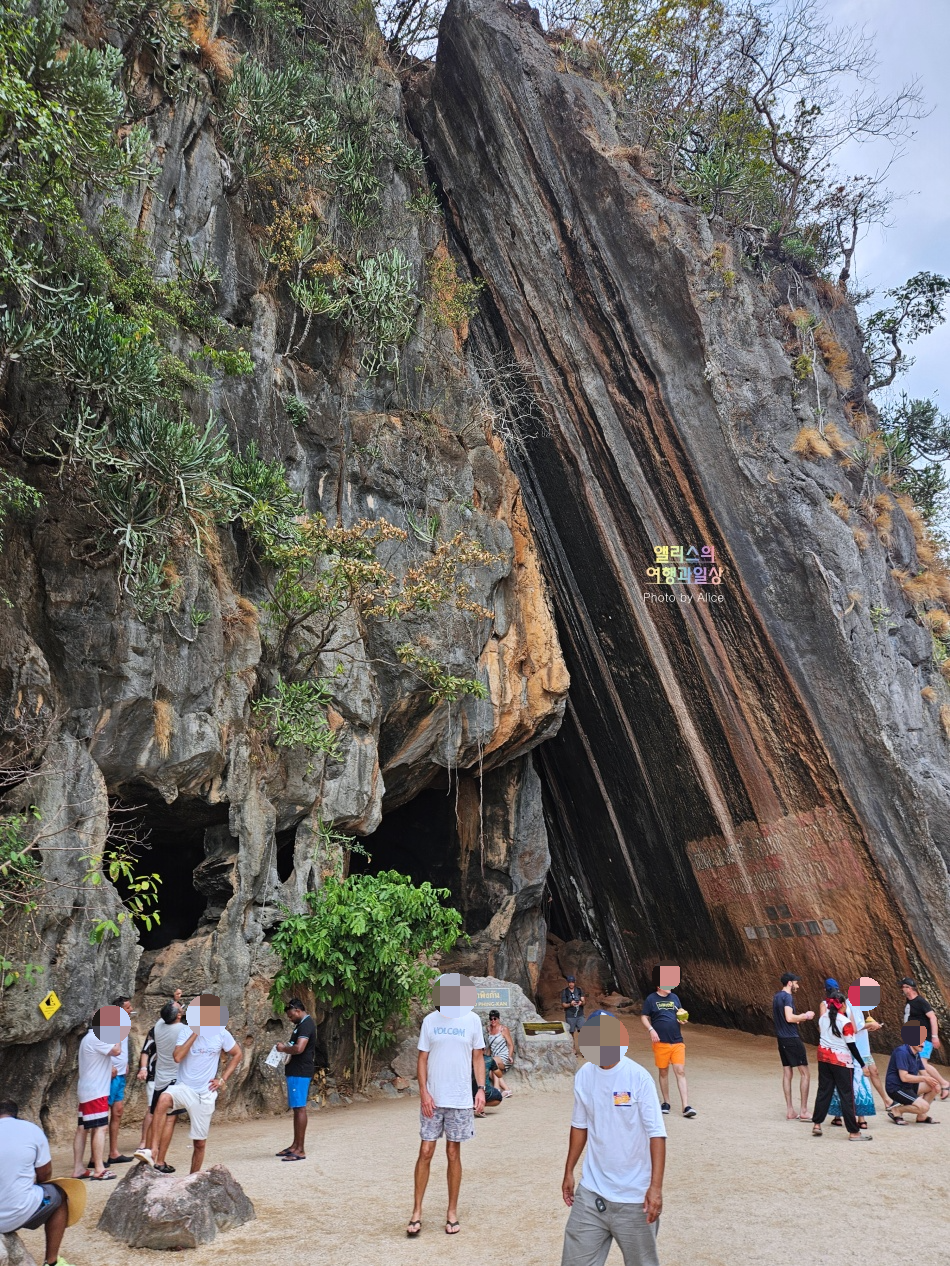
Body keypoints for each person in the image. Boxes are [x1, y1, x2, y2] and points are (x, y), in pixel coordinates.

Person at [561, 1011, 666, 1266]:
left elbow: (656, 1134)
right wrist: (569, 1171)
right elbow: (579, 1126)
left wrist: (655, 1188)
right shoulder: (584, 1075)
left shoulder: (638, 1077)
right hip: (592, 1193)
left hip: (634, 1198)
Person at [406, 972, 485, 1238]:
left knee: (453, 1153)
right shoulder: (430, 1021)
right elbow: (422, 1059)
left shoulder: (473, 1020)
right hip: (434, 1098)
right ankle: (417, 1211)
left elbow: (477, 1058)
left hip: (460, 1098)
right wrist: (423, 1093)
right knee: (426, 1151)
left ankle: (452, 1212)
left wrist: (481, 1089)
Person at [139, 994, 242, 1174]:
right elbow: (177, 1057)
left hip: (205, 1093)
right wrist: (196, 1032)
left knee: (199, 1143)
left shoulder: (221, 1033)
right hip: (184, 1087)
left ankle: (192, 1179)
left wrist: (222, 1079)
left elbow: (237, 1054)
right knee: (163, 1100)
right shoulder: (186, 1031)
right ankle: (152, 1150)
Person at [0, 1100, 77, 1266]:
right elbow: (45, 1175)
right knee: (59, 1195)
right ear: (15, 1115)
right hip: (18, 1213)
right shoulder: (31, 1130)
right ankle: (51, 1261)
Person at [72, 1006, 127, 1180]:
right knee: (100, 1127)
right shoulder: (98, 1036)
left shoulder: (90, 1037)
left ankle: (78, 1168)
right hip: (96, 1091)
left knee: (83, 1129)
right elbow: (117, 1050)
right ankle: (99, 1169)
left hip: (88, 1089)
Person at [811, 989, 871, 1141]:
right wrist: (863, 1065)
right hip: (841, 1061)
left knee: (824, 1091)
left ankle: (817, 1124)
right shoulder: (845, 1023)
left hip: (824, 1058)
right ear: (842, 1005)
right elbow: (852, 1046)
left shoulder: (823, 1018)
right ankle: (853, 1131)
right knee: (847, 1096)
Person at [135, 999, 185, 1172]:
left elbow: (167, 1013)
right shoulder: (183, 1030)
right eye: (180, 1009)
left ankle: (148, 1153)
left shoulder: (158, 1027)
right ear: (179, 1015)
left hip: (159, 1079)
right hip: (174, 1080)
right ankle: (160, 1161)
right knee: (169, 1120)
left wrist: (176, 1001)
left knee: (155, 1115)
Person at [640, 967, 696, 1118]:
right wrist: (651, 1030)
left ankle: (686, 1106)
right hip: (661, 1042)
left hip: (677, 1041)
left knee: (680, 1071)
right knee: (663, 1072)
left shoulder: (675, 998)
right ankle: (666, 1102)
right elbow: (644, 1016)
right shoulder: (651, 999)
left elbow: (680, 1012)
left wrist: (681, 1019)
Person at [275, 999, 322, 1162]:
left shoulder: (306, 1025)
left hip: (300, 1071)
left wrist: (283, 1049)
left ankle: (300, 1150)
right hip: (296, 1070)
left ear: (297, 1010)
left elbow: (299, 1048)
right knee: (296, 1108)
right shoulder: (301, 1025)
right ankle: (295, 1145)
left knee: (300, 1108)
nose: (289, 1018)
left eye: (290, 1015)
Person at [772, 972, 814, 1120]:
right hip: (791, 1038)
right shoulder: (788, 997)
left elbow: (785, 1018)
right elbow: (789, 1018)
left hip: (781, 1039)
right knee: (805, 1074)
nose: (798, 985)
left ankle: (790, 1110)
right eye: (796, 982)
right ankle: (803, 1111)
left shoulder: (777, 997)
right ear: (790, 983)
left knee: (787, 1073)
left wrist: (798, 1018)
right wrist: (806, 1016)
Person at [98, 996, 134, 1167]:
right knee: (103, 1113)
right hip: (110, 1074)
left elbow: (122, 1048)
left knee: (118, 1111)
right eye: (127, 1007)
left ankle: (113, 1152)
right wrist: (110, 1066)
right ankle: (96, 1157)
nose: (131, 1010)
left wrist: (124, 1063)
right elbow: (104, 1047)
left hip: (120, 1074)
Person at [900, 977, 950, 1099]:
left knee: (922, 1063)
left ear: (909, 988)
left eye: (903, 987)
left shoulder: (920, 1001)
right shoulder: (909, 1002)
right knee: (917, 1064)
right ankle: (932, 1087)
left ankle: (944, 1084)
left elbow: (933, 1018)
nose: (901, 989)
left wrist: (934, 1036)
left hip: (924, 1037)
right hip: (914, 1038)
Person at [885, 1025, 943, 1124]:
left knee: (933, 1085)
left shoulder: (916, 1054)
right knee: (925, 1107)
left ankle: (921, 1117)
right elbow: (904, 1077)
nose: (923, 1044)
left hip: (908, 1086)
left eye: (924, 1040)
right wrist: (924, 1079)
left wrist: (935, 1084)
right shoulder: (902, 1052)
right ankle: (897, 1110)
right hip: (896, 1088)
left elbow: (924, 1073)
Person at [485, 1010, 515, 1098]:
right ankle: (507, 1090)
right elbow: (490, 1046)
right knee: (490, 1071)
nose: (493, 1021)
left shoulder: (503, 1029)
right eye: (491, 1019)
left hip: (504, 1057)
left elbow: (510, 1044)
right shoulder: (488, 1029)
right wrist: (485, 1057)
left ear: (498, 1019)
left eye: (495, 1018)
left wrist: (510, 1056)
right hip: (495, 1057)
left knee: (493, 1062)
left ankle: (496, 1089)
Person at [562, 975, 586, 1054]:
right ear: (568, 983)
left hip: (580, 1014)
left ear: (574, 982)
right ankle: (573, 1050)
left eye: (572, 982)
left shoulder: (579, 990)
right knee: (571, 1033)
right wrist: (570, 1004)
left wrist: (581, 1002)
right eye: (569, 982)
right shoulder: (565, 992)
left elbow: (584, 1001)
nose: (571, 984)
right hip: (570, 1015)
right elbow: (563, 1005)